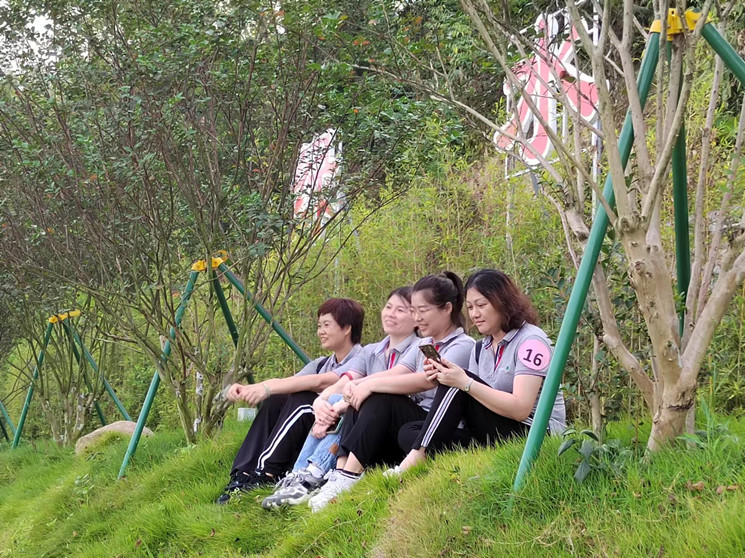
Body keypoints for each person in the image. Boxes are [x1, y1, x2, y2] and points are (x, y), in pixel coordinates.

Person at [307, 272, 475, 512]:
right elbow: (398, 372)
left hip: (440, 424)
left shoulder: (462, 345)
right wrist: (358, 385)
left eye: (423, 311)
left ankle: (349, 476)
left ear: (447, 308)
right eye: (413, 311)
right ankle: (341, 473)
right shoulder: (423, 344)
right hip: (415, 420)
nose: (417, 318)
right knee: (361, 398)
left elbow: (425, 381)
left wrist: (370, 386)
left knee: (380, 398)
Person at [394, 268, 566, 474]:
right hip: (494, 430)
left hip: (536, 432)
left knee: (460, 383)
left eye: (481, 305)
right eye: (470, 307)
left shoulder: (531, 341)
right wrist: (441, 377)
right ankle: (442, 453)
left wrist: (465, 383)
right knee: (409, 431)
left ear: (503, 301)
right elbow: (473, 406)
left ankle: (417, 457)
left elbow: (521, 409)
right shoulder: (480, 348)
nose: (475, 314)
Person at [261, 287, 419, 509]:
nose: (390, 314)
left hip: (396, 428)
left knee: (358, 398)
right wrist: (321, 403)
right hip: (367, 430)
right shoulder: (371, 351)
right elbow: (344, 381)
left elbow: (394, 381)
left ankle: (315, 474)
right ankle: (301, 473)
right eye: (388, 307)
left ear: (417, 316)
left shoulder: (420, 347)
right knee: (338, 398)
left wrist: (340, 404)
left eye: (400, 310)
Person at [216, 298, 365, 504]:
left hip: (335, 425)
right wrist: (251, 388)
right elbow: (288, 382)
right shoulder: (322, 363)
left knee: (302, 400)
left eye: (326, 325)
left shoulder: (362, 359)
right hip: (313, 427)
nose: (320, 332)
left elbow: (322, 381)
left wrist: (265, 388)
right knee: (276, 399)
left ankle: (266, 473)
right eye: (319, 326)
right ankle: (243, 474)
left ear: (347, 328)